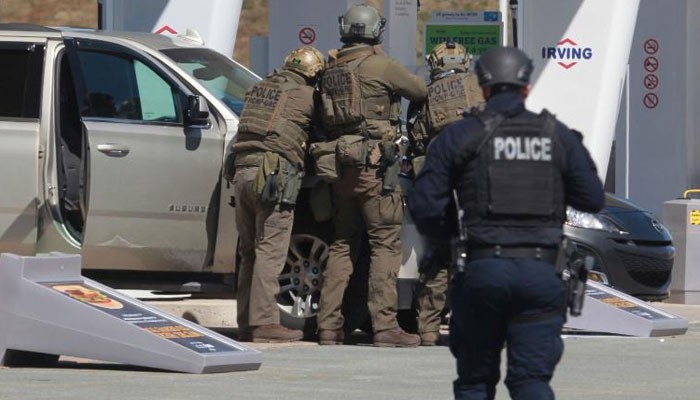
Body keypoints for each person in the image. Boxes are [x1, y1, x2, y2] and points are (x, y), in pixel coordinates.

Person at [407, 46, 605, 399]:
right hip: (541, 273)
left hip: (482, 270)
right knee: (531, 382)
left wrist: (451, 238)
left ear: (482, 88)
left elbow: (425, 206)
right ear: (527, 87)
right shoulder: (556, 135)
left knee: (475, 383)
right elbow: (592, 199)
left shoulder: (460, 135)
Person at [314, 3, 428, 347]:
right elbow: (419, 91)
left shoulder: (330, 69)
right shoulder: (381, 65)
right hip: (375, 168)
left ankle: (328, 327)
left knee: (342, 244)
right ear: (376, 31)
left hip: (338, 167)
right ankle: (385, 327)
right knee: (384, 244)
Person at [228, 46, 325, 343]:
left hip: (242, 171)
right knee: (270, 251)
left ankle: (246, 322)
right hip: (273, 175)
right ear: (312, 74)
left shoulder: (258, 89)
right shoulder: (307, 96)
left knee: (248, 253)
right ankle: (265, 323)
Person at [406, 41, 483, 346]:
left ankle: (428, 327)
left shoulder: (425, 94)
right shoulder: (482, 86)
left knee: (439, 252)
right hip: (478, 179)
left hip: (440, 178)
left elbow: (416, 139)